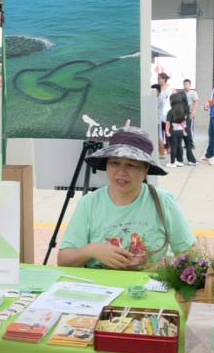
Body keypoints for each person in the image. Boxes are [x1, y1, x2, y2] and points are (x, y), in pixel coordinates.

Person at [58, 126, 195, 270]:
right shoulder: (89, 203)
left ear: (145, 169)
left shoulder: (163, 202)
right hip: (100, 289)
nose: (121, 172)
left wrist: (161, 267)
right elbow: (63, 260)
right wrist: (92, 250)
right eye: (114, 163)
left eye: (131, 165)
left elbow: (190, 255)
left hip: (150, 290)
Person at [165, 93, 196, 167]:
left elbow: (168, 123)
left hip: (173, 131)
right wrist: (184, 131)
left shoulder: (171, 111)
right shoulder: (182, 110)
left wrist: (167, 131)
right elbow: (184, 122)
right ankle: (180, 161)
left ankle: (172, 162)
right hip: (180, 131)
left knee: (173, 146)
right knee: (179, 146)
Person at [156, 73, 172, 157]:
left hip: (167, 112)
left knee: (167, 130)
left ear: (164, 79)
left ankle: (169, 147)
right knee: (161, 130)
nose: (158, 80)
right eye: (157, 79)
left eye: (159, 79)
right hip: (158, 112)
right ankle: (164, 147)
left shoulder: (170, 88)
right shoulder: (157, 88)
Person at [182, 78, 199, 143]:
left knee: (189, 128)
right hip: (183, 113)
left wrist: (194, 112)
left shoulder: (193, 92)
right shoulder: (182, 93)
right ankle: (186, 143)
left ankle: (191, 143)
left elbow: (196, 102)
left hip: (190, 112)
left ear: (190, 85)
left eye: (187, 84)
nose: (186, 86)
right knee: (184, 128)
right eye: (185, 84)